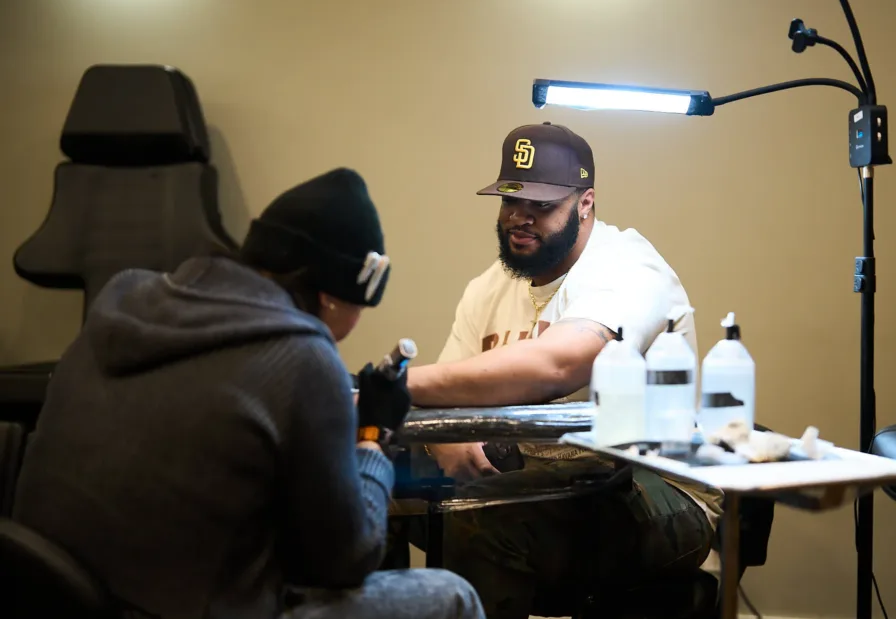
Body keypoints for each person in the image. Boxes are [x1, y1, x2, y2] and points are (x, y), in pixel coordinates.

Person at [13, 168, 484, 619]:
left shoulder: (121, 301)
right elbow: (347, 560)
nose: (354, 325)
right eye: (360, 307)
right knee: (452, 596)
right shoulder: (302, 355)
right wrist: (372, 436)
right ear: (330, 295)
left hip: (46, 594)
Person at [406, 123, 724, 619]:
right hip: (531, 474)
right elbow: (448, 391)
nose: (521, 218)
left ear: (585, 203)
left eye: (541, 205)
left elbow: (560, 363)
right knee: (368, 483)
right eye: (511, 201)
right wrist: (445, 438)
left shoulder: (630, 268)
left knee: (486, 515)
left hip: (657, 488)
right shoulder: (488, 287)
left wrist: (398, 384)